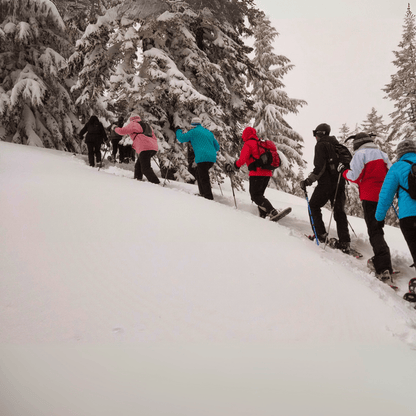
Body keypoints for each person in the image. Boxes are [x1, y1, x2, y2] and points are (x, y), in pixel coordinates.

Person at [340, 132, 393, 280]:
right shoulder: (382, 154)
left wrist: (343, 171)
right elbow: (391, 173)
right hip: (384, 196)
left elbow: (354, 176)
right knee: (378, 228)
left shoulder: (360, 154)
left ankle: (383, 266)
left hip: (369, 197)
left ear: (357, 143)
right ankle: (384, 261)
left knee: (374, 230)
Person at [300, 123, 350, 251]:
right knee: (339, 211)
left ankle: (320, 234)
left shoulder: (321, 145)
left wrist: (308, 181)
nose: (315, 136)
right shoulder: (336, 145)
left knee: (313, 206)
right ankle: (345, 241)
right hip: (340, 182)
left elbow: (320, 168)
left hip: (326, 184)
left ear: (321, 133)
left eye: (315, 133)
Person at [225, 126, 289, 221]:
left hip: (256, 174)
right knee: (260, 195)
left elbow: (243, 159)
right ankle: (263, 215)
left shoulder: (249, 144)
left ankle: (272, 211)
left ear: (246, 135)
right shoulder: (261, 143)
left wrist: (235, 166)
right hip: (267, 174)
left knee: (255, 196)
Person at [376, 138, 416, 272]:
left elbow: (385, 196)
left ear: (399, 154)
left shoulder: (397, 167)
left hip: (410, 218)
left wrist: (379, 218)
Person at [176, 117, 220, 200]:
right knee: (200, 174)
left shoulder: (193, 132)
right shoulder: (208, 132)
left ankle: (208, 196)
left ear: (192, 125)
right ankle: (203, 193)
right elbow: (217, 147)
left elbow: (181, 138)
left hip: (202, 157)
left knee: (203, 176)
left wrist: (178, 130)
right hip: (211, 158)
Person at [115, 114, 160, 184]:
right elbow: (153, 137)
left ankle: (156, 183)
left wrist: (114, 128)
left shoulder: (134, 124)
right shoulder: (147, 125)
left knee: (145, 168)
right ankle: (137, 181)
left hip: (145, 148)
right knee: (138, 165)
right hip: (153, 148)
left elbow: (122, 131)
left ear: (131, 119)